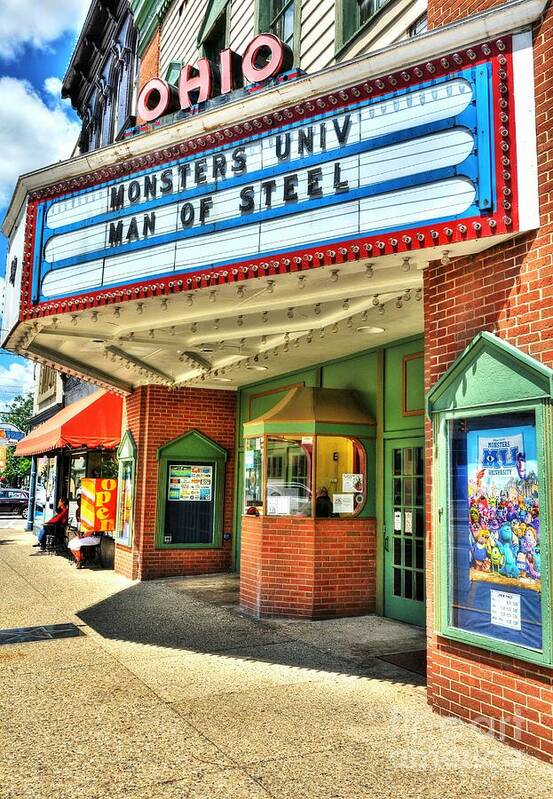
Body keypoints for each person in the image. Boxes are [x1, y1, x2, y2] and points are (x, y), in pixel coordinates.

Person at [67, 494, 101, 569]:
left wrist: (82, 536)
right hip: (86, 536)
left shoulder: (93, 515)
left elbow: (92, 530)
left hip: (94, 537)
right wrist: (80, 535)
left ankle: (80, 560)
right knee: (71, 543)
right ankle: (80, 559)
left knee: (76, 543)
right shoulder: (85, 515)